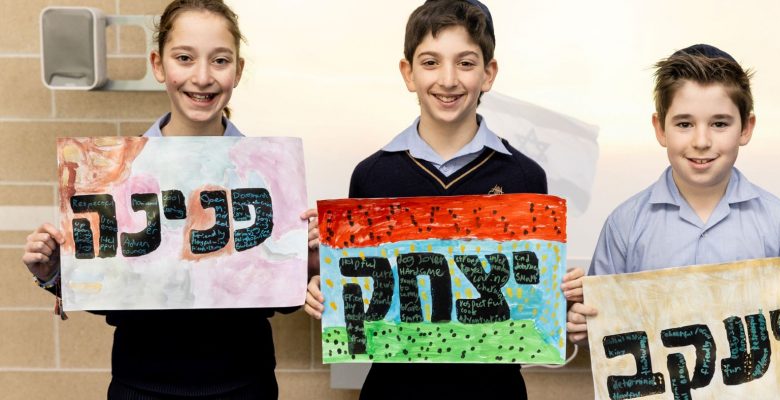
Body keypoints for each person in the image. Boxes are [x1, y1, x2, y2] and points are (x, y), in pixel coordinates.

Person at [22, 0, 301, 397]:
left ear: (237, 71)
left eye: (220, 61)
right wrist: (55, 272)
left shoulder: (269, 172)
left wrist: (303, 263)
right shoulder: (115, 174)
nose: (202, 77)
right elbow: (107, 298)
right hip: (141, 386)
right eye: (184, 58)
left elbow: (283, 302)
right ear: (158, 65)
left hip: (244, 385)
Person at [302, 0, 546, 398]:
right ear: (408, 73)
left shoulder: (524, 177)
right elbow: (363, 302)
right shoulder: (371, 176)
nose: (448, 80)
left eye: (465, 63)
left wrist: (558, 294)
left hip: (493, 390)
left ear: (489, 73)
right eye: (430, 62)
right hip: (394, 389)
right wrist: (328, 292)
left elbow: (528, 303)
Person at [562, 44, 780, 359]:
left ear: (746, 128)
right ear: (660, 128)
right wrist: (584, 328)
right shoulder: (624, 224)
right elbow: (602, 330)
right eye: (684, 124)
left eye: (719, 124)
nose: (701, 141)